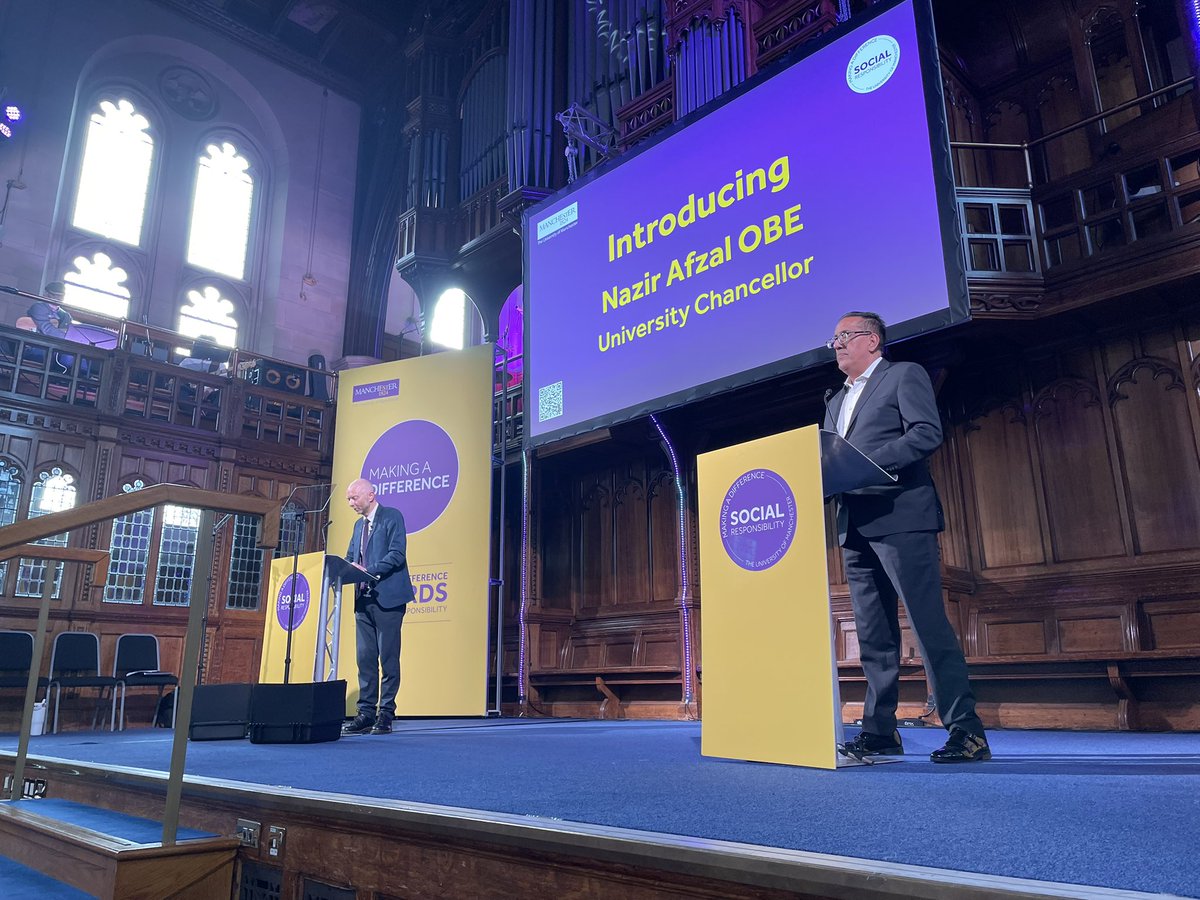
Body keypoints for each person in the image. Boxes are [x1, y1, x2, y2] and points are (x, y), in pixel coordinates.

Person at [823, 311, 990, 763]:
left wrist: (870, 462)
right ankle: (881, 731)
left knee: (927, 624)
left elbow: (926, 433)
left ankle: (966, 730)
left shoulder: (903, 375)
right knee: (874, 636)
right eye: (833, 340)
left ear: (871, 340)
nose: (835, 345)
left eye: (843, 337)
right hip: (853, 525)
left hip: (901, 517)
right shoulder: (836, 401)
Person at [342, 477, 415, 735]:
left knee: (388, 657)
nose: (350, 503)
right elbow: (351, 558)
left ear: (370, 495)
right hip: (363, 601)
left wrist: (368, 572)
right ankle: (365, 712)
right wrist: (344, 569)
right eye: (349, 499)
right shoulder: (357, 527)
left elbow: (397, 555)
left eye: (354, 498)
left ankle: (386, 713)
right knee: (365, 658)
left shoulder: (391, 517)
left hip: (389, 599)